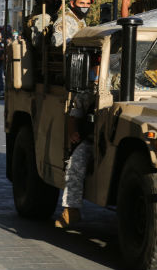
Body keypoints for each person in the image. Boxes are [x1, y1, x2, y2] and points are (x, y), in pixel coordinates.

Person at [55, 60, 99, 228]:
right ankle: (71, 210)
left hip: (114, 142)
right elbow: (74, 114)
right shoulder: (88, 93)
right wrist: (74, 133)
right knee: (75, 164)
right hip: (91, 140)